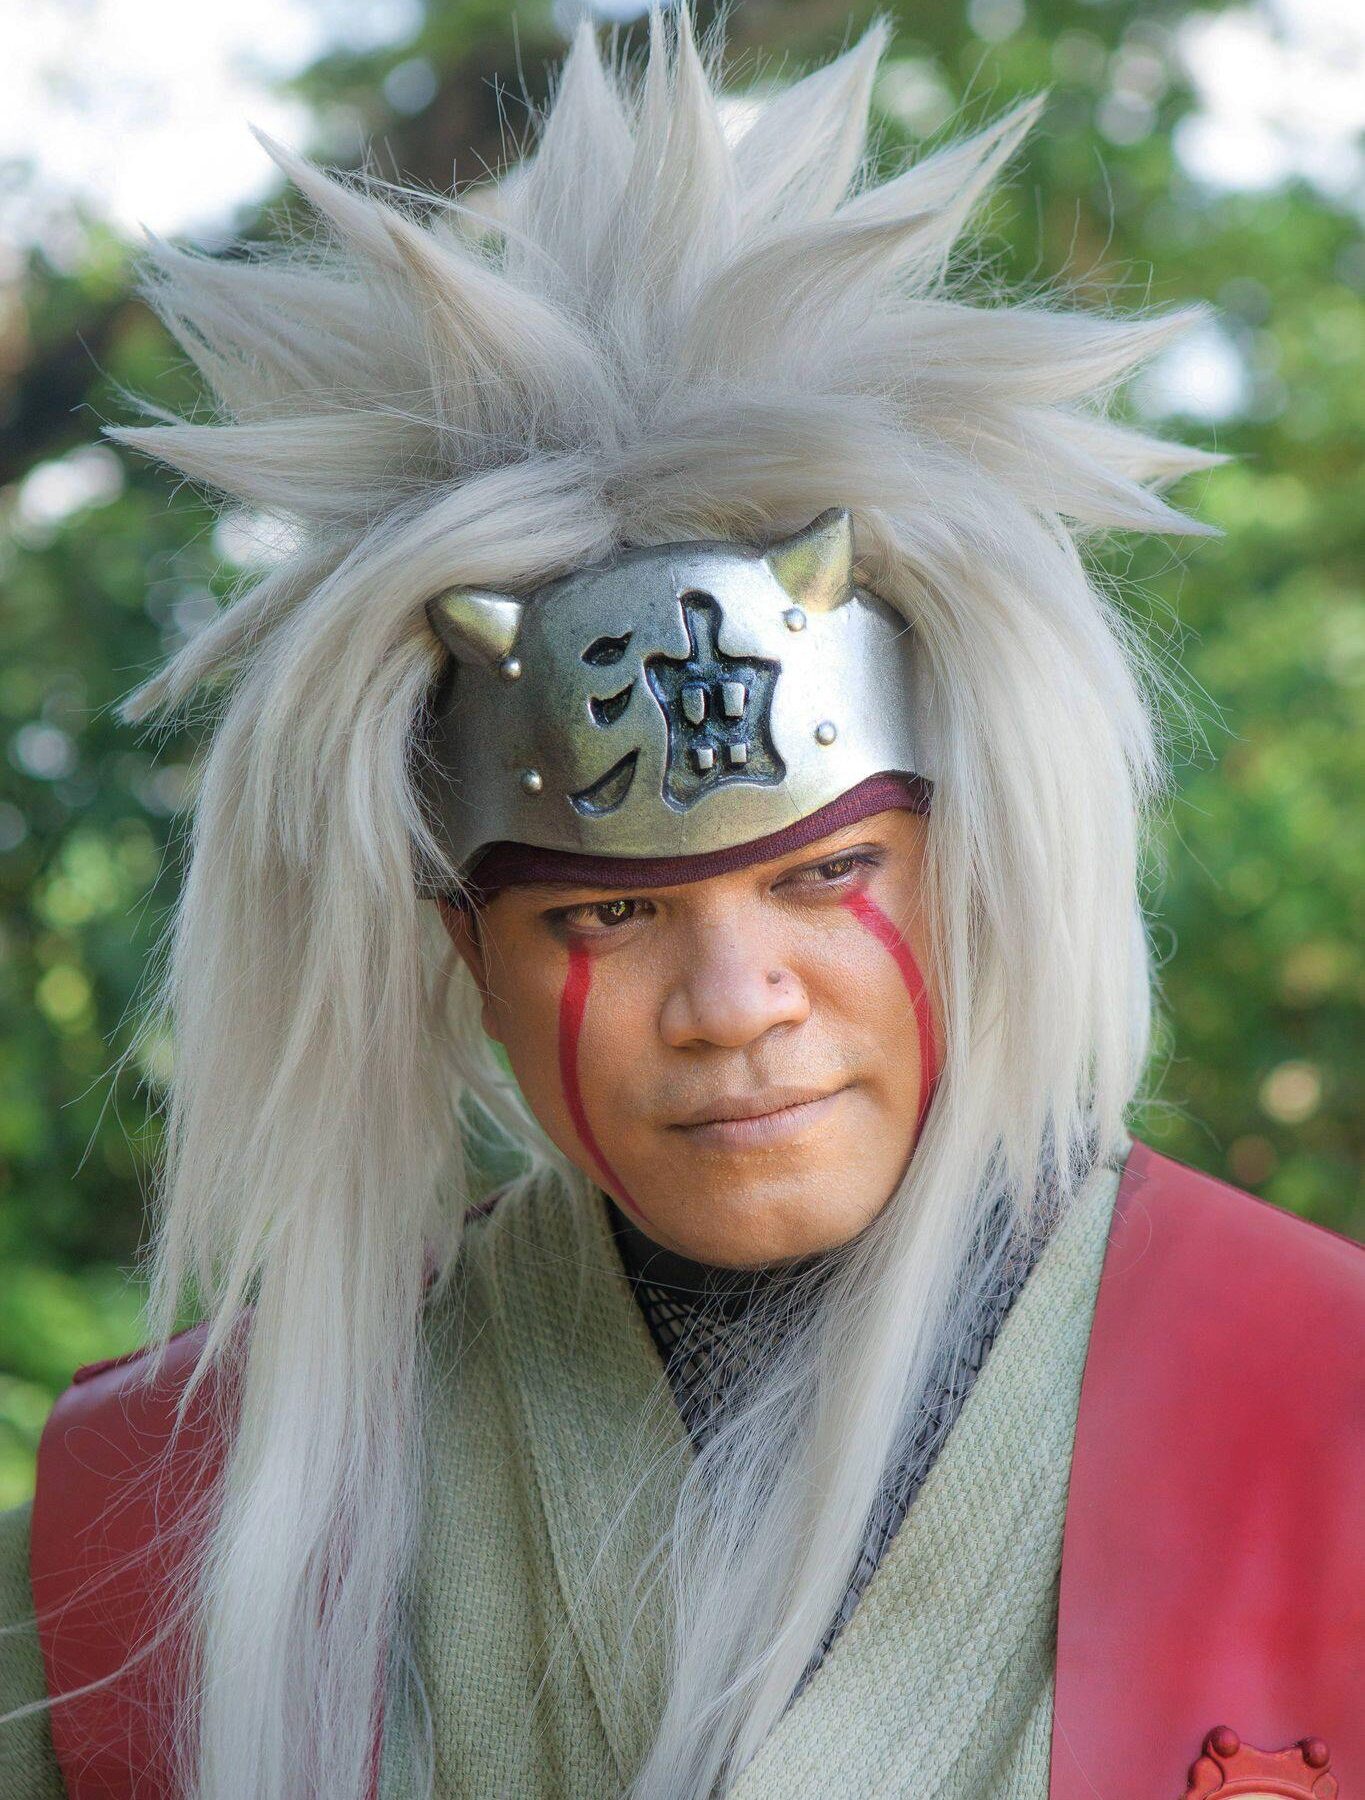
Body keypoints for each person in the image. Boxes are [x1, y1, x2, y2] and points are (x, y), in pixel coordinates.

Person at [1, 12, 1360, 1800]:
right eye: (605, 918)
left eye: (825, 874)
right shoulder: (146, 1537)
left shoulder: (1323, 1406)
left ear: (980, 862)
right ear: (462, 950)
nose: (735, 1003)